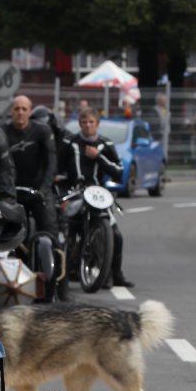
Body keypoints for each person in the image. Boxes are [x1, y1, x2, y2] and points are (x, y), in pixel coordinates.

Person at [61, 107, 130, 287]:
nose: (88, 126)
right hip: (75, 192)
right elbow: (58, 169)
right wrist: (62, 193)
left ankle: (115, 273)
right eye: (84, 122)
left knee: (116, 235)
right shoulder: (69, 142)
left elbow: (119, 172)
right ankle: (66, 271)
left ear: (97, 124)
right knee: (68, 230)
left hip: (98, 193)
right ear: (80, 124)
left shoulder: (106, 144)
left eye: (91, 122)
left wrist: (99, 157)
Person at [3, 94, 62, 302]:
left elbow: (51, 163)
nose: (20, 113)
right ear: (11, 111)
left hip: (38, 191)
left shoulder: (42, 131)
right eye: (16, 108)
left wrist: (44, 189)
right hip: (12, 191)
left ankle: (59, 284)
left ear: (30, 111)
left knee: (51, 232)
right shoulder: (2, 132)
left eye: (24, 109)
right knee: (5, 236)